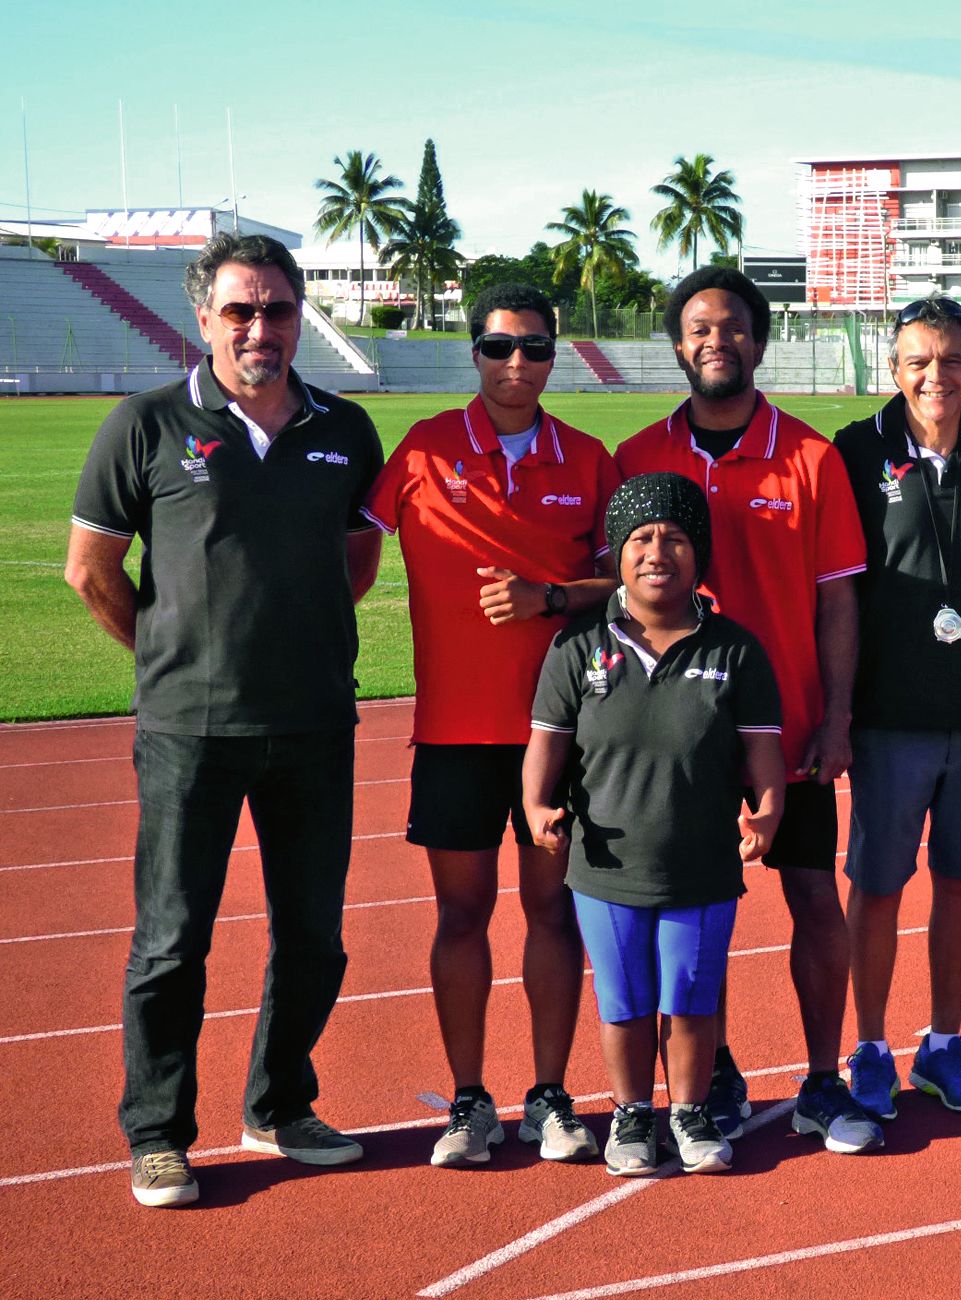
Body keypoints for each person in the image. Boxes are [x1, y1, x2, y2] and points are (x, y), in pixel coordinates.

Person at [65, 233, 385, 1207]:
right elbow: (91, 570)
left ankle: (279, 1102)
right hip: (188, 733)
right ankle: (157, 1133)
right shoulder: (147, 425)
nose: (261, 327)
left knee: (316, 937)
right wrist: (170, 661)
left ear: (300, 318)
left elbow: (357, 559)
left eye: (278, 308)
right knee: (172, 940)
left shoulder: (346, 429)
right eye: (240, 309)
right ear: (202, 319)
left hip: (315, 725)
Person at [613, 268, 880, 1152]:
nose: (715, 340)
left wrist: (838, 715)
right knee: (689, 915)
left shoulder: (810, 457)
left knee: (812, 895)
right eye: (697, 328)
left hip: (790, 728)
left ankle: (820, 1077)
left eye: (732, 327)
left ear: (759, 343)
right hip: (675, 739)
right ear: (678, 343)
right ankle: (710, 1073)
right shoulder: (638, 457)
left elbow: (839, 599)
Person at [362, 283, 620, 1168]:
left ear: (557, 356)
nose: (518, 363)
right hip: (453, 735)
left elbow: (631, 583)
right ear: (473, 350)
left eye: (536, 348)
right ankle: (469, 1099)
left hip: (564, 734)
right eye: (500, 346)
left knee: (554, 913)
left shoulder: (588, 459)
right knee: (460, 913)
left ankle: (550, 1094)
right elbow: (347, 549)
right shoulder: (425, 449)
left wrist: (553, 596)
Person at [524, 476, 786, 1175]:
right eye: (640, 538)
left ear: (699, 552)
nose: (656, 551)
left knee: (692, 999)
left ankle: (690, 1111)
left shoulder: (735, 649)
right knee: (626, 1002)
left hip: (701, 864)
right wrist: (537, 806)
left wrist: (765, 813)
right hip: (605, 866)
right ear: (616, 553)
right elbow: (545, 746)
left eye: (673, 537)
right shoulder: (577, 647)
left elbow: (764, 754)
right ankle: (631, 1113)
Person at [831, 297, 961, 1121]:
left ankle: (943, 1044)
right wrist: (837, 710)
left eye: (949, 360)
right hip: (889, 708)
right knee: (877, 884)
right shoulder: (855, 449)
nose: (933, 375)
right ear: (893, 366)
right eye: (918, 360)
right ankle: (870, 1046)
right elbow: (834, 585)